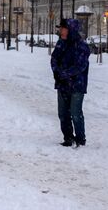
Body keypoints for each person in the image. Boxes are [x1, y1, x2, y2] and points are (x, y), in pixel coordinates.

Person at [50, 19, 90, 147]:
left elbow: (80, 66)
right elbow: (54, 58)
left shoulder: (81, 46)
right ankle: (68, 137)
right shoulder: (61, 43)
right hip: (62, 84)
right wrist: (56, 72)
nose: (60, 30)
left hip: (77, 84)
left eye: (63, 28)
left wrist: (63, 74)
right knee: (63, 113)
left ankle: (80, 138)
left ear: (70, 30)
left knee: (75, 112)